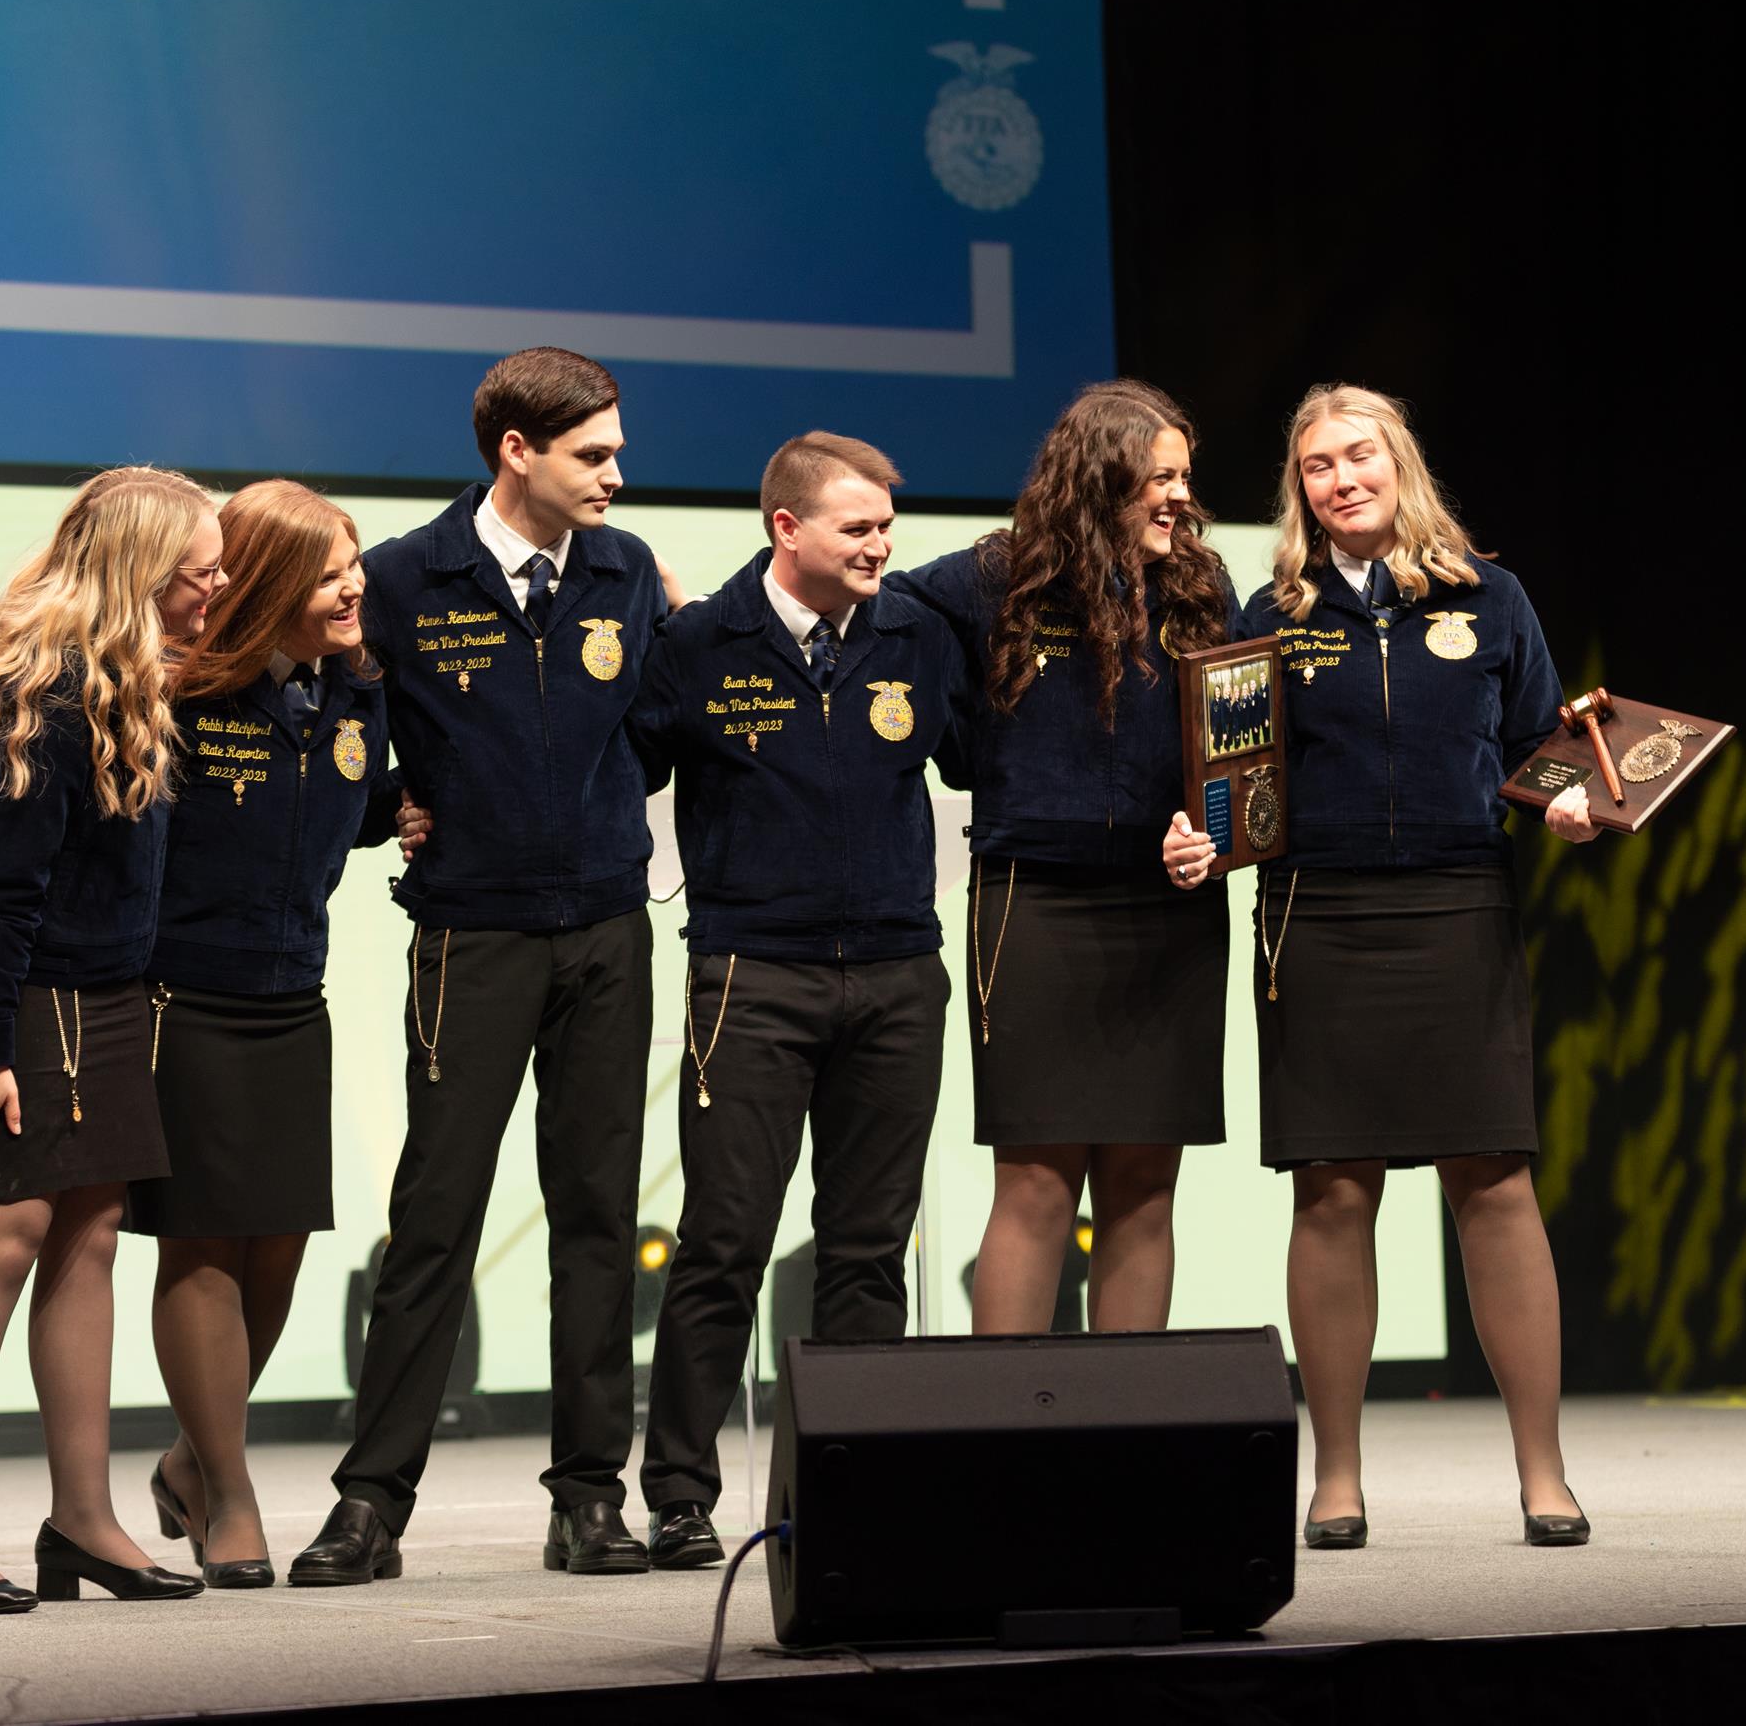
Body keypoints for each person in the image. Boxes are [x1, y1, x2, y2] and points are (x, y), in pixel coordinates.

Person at [0, 479, 401, 1588]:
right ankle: (189, 1493)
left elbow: (316, 803)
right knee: (79, 1237)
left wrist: (402, 812)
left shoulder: (344, 686)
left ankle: (123, 1496)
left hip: (255, 988)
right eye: (328, 573)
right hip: (150, 994)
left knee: (202, 1240)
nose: (354, 589)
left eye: (356, 566)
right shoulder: (138, 681)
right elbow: (10, 847)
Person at [291, 347, 673, 1584]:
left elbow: (657, 735)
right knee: (435, 1215)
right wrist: (387, 803)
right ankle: (370, 1503)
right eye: (593, 454)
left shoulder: (625, 571)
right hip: (471, 934)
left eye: (615, 452)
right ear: (517, 450)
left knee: (598, 1216)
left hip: (607, 929)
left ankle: (589, 1498)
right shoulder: (408, 575)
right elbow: (342, 727)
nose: (616, 475)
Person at [1238, 382, 1599, 1551]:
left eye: (1358, 455)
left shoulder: (1490, 596)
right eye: (1317, 466)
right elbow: (1229, 768)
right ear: (1299, 489)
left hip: (1458, 906)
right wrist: (1203, 831)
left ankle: (1543, 1474)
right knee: (1332, 1190)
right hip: (1315, 915)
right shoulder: (1270, 611)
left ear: (1400, 462)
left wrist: (1567, 803)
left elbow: (1541, 744)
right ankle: (1336, 1478)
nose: (1341, 479)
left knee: (1493, 1181)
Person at [624, 433, 965, 1570]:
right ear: (787, 528)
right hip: (751, 977)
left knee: (867, 1248)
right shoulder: (696, 643)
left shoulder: (918, 634)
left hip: (898, 976)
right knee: (724, 1239)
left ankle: (856, 1484)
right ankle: (679, 1493)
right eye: (856, 528)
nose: (879, 547)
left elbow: (985, 760)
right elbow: (612, 774)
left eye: (885, 528)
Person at [0, 466, 219, 1617]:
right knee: (4, 1233)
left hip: (102, 989)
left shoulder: (135, 674)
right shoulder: (51, 690)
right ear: (139, 574)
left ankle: (82, 1520)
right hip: (20, 989)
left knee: (91, 1232)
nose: (215, 590)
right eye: (199, 572)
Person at [887, 379, 1236, 1334]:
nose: (1180, 497)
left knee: (1145, 1184)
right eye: (1160, 478)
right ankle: (1011, 1418)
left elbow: (1235, 750)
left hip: (1170, 917)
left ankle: (1125, 1417)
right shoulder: (992, 579)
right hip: (1033, 907)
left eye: (1185, 477)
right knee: (1038, 1183)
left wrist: (1209, 831)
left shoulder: (1203, 588)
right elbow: (879, 618)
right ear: (1100, 477)